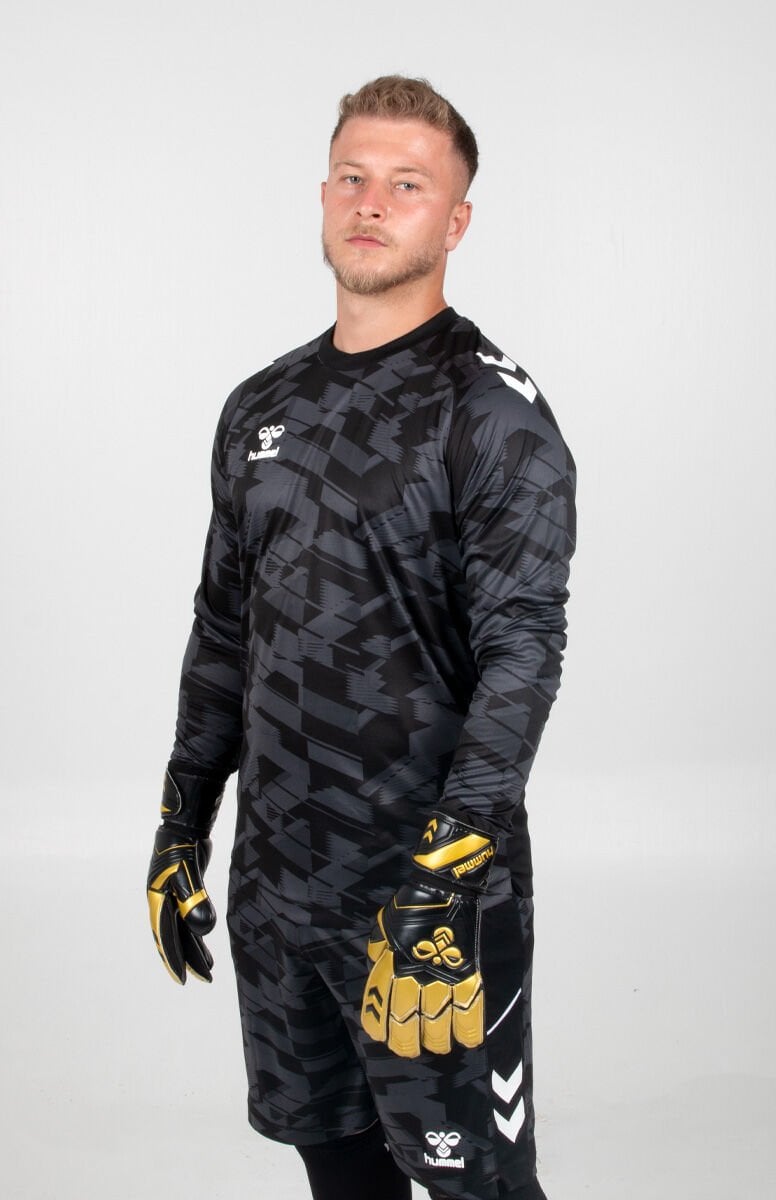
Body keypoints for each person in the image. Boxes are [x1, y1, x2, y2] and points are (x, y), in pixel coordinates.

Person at [147, 75, 576, 1200]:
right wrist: (181, 819)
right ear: (324, 193)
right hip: (278, 879)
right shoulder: (259, 406)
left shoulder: (493, 415)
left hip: (426, 897)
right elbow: (222, 630)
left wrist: (450, 872)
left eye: (406, 184)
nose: (371, 203)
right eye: (352, 177)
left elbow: (523, 653)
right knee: (336, 1167)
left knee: (477, 1185)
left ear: (456, 220)